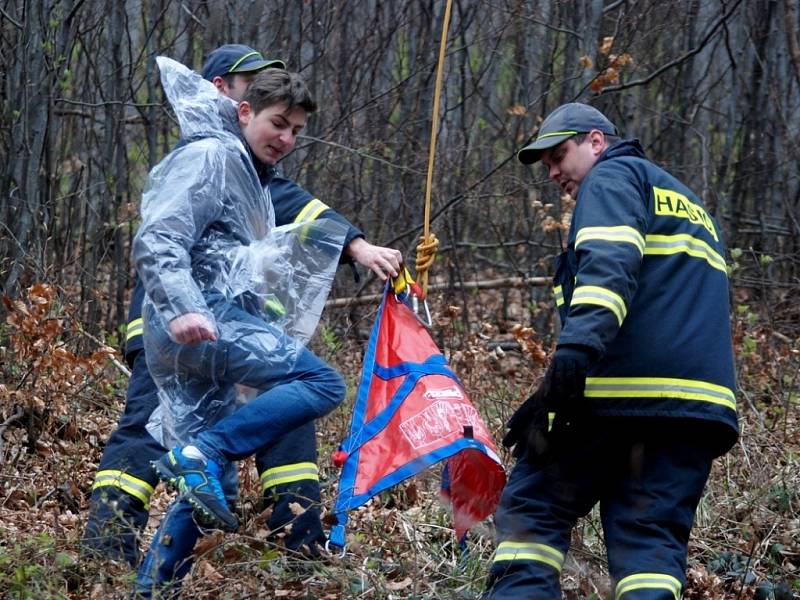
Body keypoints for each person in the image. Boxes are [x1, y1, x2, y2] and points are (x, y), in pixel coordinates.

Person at [82, 44, 401, 567]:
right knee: (156, 431)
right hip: (182, 322)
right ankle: (104, 551)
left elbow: (303, 210)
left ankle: (271, 549)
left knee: (213, 481)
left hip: (219, 326)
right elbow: (160, 238)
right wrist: (184, 307)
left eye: (295, 130)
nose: (287, 138)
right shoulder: (212, 154)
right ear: (227, 94)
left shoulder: (252, 167)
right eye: (254, 91)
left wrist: (358, 246)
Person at [485, 103, 739, 599]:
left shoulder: (613, 177)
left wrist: (573, 356)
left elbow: (609, 263)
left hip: (615, 399)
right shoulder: (688, 204)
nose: (554, 172)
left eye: (559, 155)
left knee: (532, 510)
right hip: (697, 412)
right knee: (649, 545)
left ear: (596, 142)